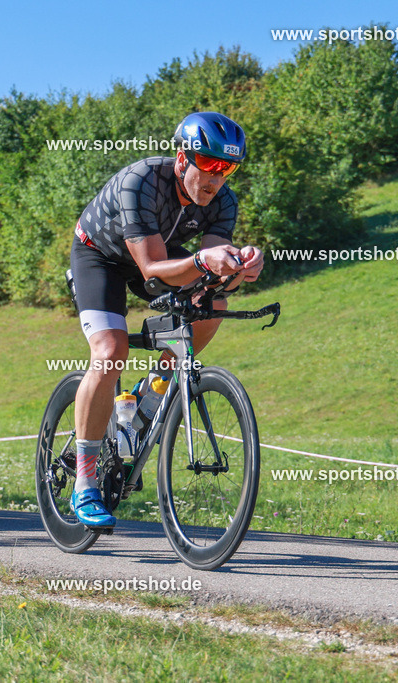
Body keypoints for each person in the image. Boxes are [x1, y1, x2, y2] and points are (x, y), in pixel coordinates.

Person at [68, 112, 265, 527]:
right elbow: (153, 268)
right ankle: (84, 483)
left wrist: (238, 268)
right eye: (208, 165)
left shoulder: (222, 201)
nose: (217, 178)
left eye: (227, 168)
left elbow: (209, 272)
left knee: (215, 304)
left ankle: (152, 390)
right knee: (110, 350)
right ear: (182, 159)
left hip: (158, 258)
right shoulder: (139, 182)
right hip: (102, 258)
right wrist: (202, 259)